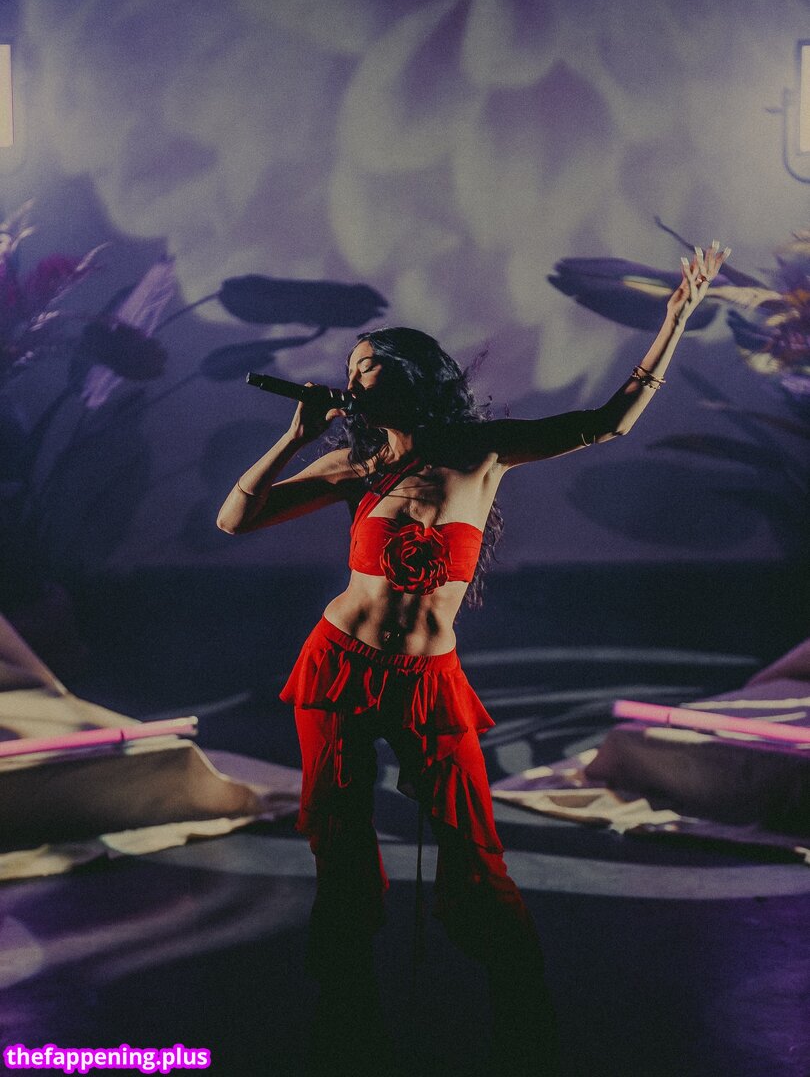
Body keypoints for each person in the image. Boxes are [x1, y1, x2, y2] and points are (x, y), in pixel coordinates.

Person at [217, 242, 728, 1076]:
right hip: (340, 666)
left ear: (410, 374)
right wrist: (292, 437)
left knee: (472, 842)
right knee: (338, 837)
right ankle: (347, 1002)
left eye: (368, 361)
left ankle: (520, 1001)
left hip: (430, 680)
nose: (354, 374)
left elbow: (608, 422)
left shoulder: (482, 453)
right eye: (351, 366)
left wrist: (675, 319)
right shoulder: (353, 466)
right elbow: (235, 520)